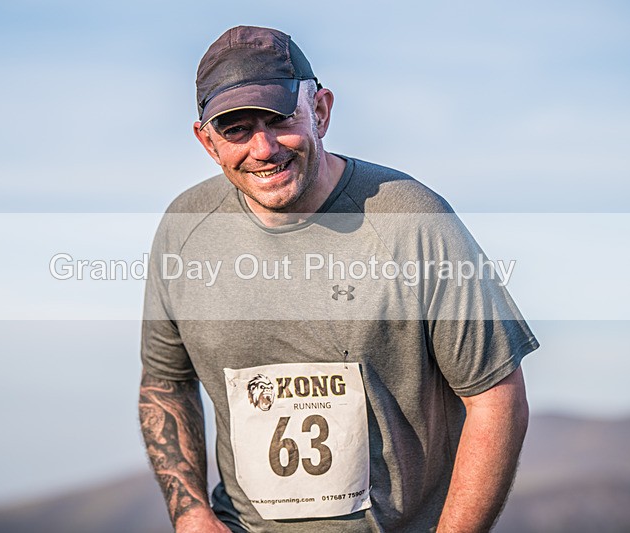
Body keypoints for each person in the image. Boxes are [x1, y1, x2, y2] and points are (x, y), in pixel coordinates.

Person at [139, 25, 539, 533]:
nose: (262, 148)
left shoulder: (412, 220)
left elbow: (497, 398)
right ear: (207, 141)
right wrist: (190, 512)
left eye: (279, 118)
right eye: (235, 128)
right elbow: (165, 382)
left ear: (321, 111)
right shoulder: (184, 229)